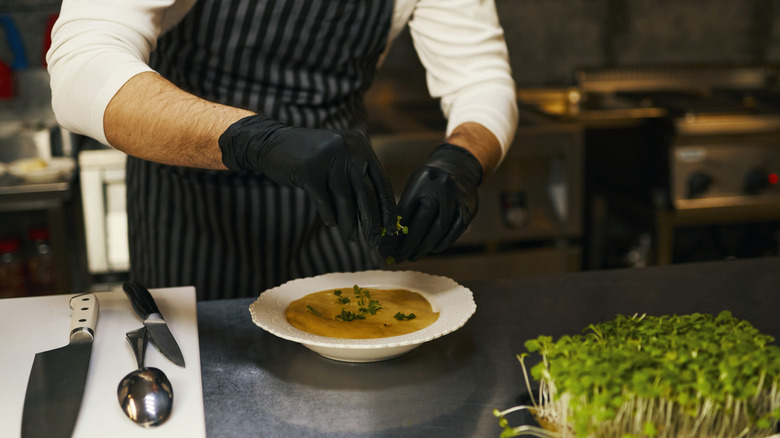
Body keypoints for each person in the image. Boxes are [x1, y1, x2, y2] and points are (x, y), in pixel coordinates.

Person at [47, 0, 518, 300]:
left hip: (339, 209)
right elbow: (81, 68)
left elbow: (480, 78)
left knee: (357, 391)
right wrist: (255, 139)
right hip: (195, 211)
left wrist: (462, 160)